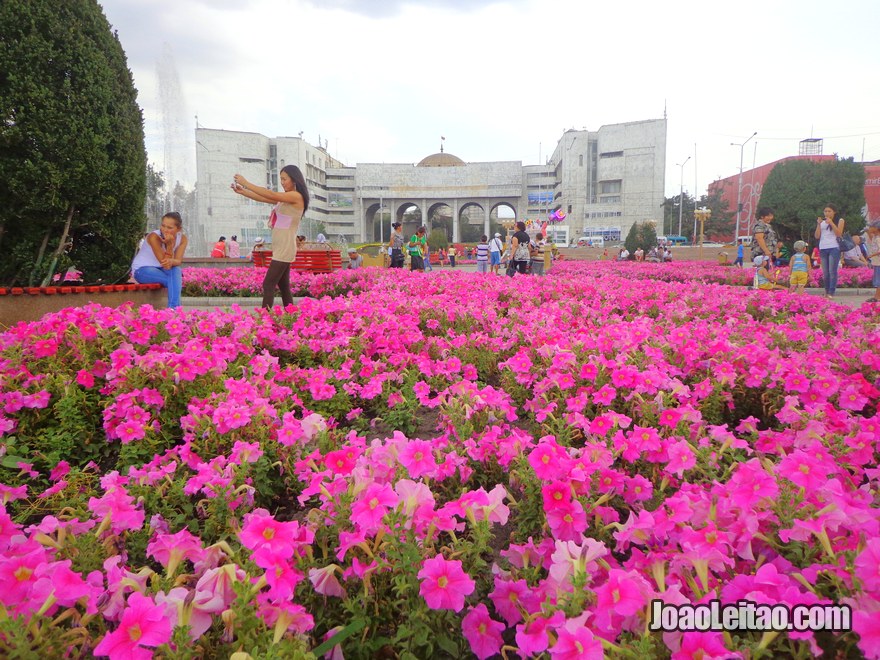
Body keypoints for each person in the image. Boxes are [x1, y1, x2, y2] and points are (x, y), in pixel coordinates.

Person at [233, 164, 308, 309]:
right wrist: (243, 192)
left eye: (284, 179)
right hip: (281, 247)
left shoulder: (295, 196)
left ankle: (264, 320)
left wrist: (246, 183)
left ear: (294, 180)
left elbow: (271, 194)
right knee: (283, 285)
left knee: (268, 284)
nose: (282, 182)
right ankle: (291, 315)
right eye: (281, 179)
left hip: (285, 248)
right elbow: (264, 198)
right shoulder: (286, 198)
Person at [131, 211, 188, 309]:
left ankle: (172, 310)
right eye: (163, 226)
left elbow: (178, 261)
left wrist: (172, 261)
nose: (165, 230)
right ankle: (174, 310)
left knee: (176, 270)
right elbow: (165, 264)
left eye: (169, 228)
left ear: (179, 229)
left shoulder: (182, 239)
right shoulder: (154, 237)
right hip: (142, 270)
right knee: (174, 281)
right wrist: (170, 246)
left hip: (161, 269)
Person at [814, 203, 845, 297]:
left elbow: (839, 233)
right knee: (825, 272)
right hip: (823, 248)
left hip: (834, 247)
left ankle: (831, 292)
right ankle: (827, 291)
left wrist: (831, 222)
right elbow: (817, 236)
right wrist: (819, 224)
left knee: (832, 271)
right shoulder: (822, 222)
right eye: (825, 211)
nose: (827, 213)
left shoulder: (840, 220)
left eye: (829, 211)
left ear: (834, 212)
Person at [864, 221, 880, 303]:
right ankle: (877, 296)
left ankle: (877, 297)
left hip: (878, 262)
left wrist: (871, 255)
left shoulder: (878, 239)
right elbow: (871, 238)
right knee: (877, 280)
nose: (869, 228)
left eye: (871, 227)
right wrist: (867, 232)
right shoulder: (875, 237)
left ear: (876, 228)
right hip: (876, 262)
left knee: (878, 280)